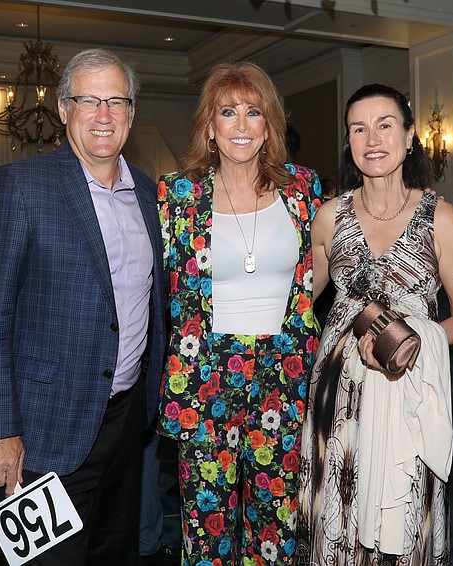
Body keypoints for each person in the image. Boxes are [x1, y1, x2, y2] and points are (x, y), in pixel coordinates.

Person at [0, 48, 166, 565]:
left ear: (132, 113)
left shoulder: (150, 195)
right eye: (89, 100)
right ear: (63, 108)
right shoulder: (20, 188)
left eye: (116, 102)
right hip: (44, 430)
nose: (104, 115)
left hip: (126, 422)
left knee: (114, 553)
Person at [157, 61, 321, 565]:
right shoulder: (176, 196)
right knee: (207, 534)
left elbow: (333, 271)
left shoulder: (302, 189)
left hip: (286, 376)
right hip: (205, 378)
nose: (243, 125)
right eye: (229, 112)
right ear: (210, 126)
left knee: (278, 526)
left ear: (270, 124)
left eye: (254, 112)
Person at [297, 83, 453, 565]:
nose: (372, 138)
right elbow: (297, 300)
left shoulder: (441, 218)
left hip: (408, 387)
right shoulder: (329, 217)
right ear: (349, 141)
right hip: (338, 393)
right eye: (359, 128)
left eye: (385, 125)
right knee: (339, 511)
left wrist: (417, 337)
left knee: (403, 510)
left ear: (411, 136)